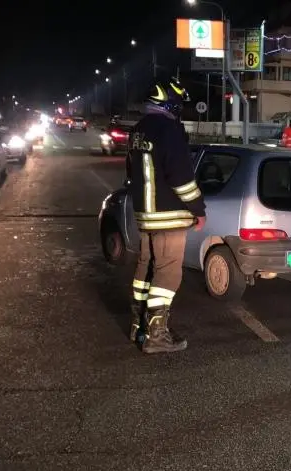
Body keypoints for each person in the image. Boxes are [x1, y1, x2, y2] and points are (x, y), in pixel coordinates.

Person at [126, 77, 207, 354]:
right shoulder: (169, 130)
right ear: (171, 103)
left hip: (145, 216)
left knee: (145, 268)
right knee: (168, 273)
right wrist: (198, 209)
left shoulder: (138, 131)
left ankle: (139, 326)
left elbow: (131, 173)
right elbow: (182, 178)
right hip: (168, 216)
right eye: (179, 105)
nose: (180, 111)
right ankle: (157, 336)